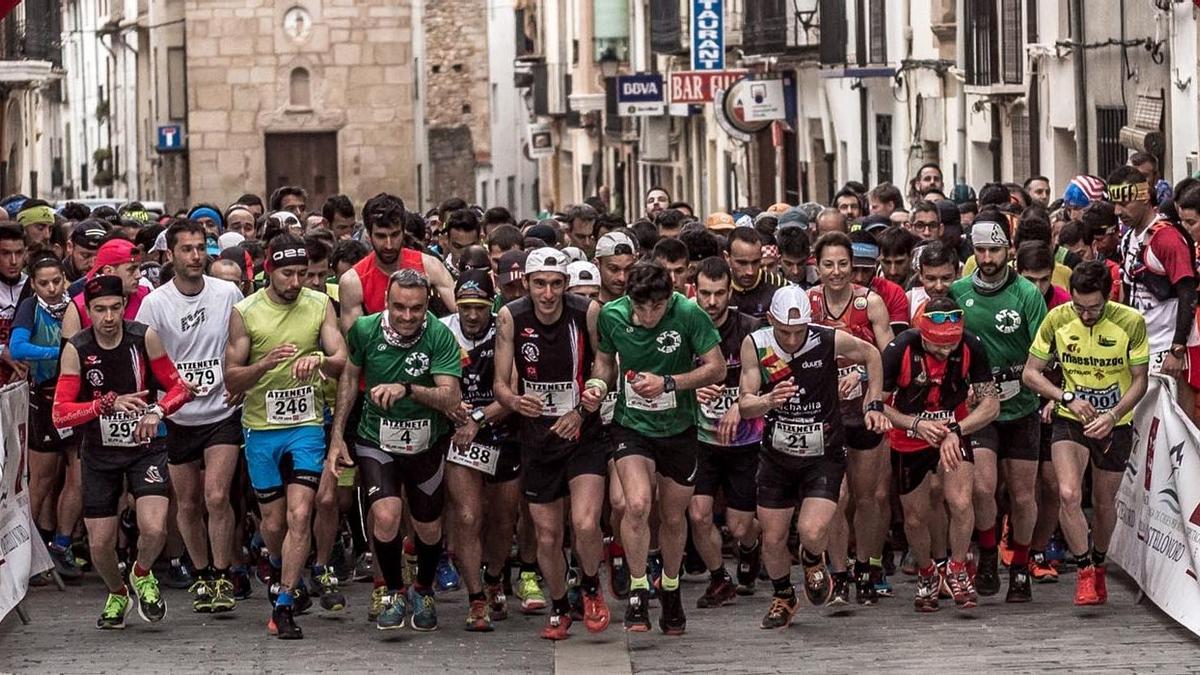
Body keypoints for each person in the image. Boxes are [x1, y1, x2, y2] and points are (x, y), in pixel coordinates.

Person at [738, 285, 889, 628]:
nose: (791, 340)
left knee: (812, 528)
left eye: (798, 331)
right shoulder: (757, 343)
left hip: (823, 451)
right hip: (777, 454)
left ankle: (811, 558)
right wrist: (767, 401)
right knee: (773, 536)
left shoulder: (827, 339)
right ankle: (784, 597)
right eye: (784, 331)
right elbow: (745, 404)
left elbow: (873, 355)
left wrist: (874, 401)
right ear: (771, 320)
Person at [52, 274, 194, 629]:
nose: (109, 317)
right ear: (89, 311)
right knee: (100, 543)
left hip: (146, 447)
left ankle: (142, 572)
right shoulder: (78, 348)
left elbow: (180, 388)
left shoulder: (142, 336)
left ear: (124, 306)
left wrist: (157, 411)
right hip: (99, 452)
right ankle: (117, 593)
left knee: (155, 528)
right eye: (100, 309)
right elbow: (61, 412)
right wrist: (106, 405)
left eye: (115, 307)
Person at [225, 235, 347, 639]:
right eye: (287, 273)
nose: (296, 281)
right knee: (274, 523)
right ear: (267, 270)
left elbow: (340, 359)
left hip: (305, 426)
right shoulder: (246, 312)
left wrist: (319, 360)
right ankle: (276, 564)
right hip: (261, 430)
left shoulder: (319, 304)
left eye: (301, 273)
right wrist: (265, 365)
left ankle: (284, 605)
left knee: (300, 515)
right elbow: (232, 376)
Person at [325, 268, 462, 633]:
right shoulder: (366, 329)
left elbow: (451, 396)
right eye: (399, 307)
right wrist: (338, 436)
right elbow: (351, 378)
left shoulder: (439, 334)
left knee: (428, 527)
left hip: (426, 443)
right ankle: (394, 592)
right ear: (386, 300)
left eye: (415, 309)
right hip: (375, 438)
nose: (406, 316)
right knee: (386, 515)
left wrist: (409, 389)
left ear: (427, 304)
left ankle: (423, 589)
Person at [593, 261, 725, 635]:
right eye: (642, 307)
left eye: (658, 307)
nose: (649, 315)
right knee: (635, 504)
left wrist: (669, 382)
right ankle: (638, 589)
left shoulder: (689, 313)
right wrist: (597, 386)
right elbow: (603, 363)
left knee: (672, 516)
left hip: (678, 427)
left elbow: (716, 369)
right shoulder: (611, 316)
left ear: (670, 298)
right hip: (630, 425)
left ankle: (670, 586)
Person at [494, 248, 612, 640]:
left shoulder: (586, 312)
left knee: (584, 522)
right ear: (526, 284)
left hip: (581, 430)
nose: (548, 293)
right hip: (538, 436)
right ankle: (560, 605)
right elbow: (500, 383)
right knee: (547, 535)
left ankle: (592, 585)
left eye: (556, 284)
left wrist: (587, 400)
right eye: (540, 284)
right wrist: (514, 402)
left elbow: (605, 363)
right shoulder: (512, 315)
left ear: (565, 284)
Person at [1022, 260, 1149, 606]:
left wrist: (1114, 414)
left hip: (1115, 424)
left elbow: (1140, 380)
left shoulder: (1130, 321)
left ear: (1107, 298)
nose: (1086, 315)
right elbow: (1031, 374)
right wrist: (1065, 397)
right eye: (1079, 306)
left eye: (1093, 308)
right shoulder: (1058, 317)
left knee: (1104, 503)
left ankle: (1099, 561)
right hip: (1070, 418)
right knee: (1067, 493)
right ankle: (1083, 571)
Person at [136, 220, 246, 613]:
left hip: (222, 410)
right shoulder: (156, 303)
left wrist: (241, 378)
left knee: (216, 495)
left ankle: (221, 575)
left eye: (201, 248)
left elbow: (241, 341)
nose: (196, 256)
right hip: (178, 415)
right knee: (187, 503)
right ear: (171, 255)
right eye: (187, 249)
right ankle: (200, 573)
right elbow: (145, 359)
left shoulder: (228, 292)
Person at [949, 212, 1047, 602]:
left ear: (1008, 250)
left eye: (995, 250)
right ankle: (988, 553)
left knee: (1024, 495)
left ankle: (1020, 565)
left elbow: (1044, 350)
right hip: (979, 410)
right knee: (982, 488)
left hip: (1021, 407)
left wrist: (1027, 375)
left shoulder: (1027, 293)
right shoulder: (958, 292)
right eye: (981, 250)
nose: (987, 258)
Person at [881, 296, 999, 612]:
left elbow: (991, 404)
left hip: (952, 427)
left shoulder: (971, 346)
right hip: (910, 434)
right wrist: (915, 424)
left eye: (951, 345)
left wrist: (958, 430)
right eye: (936, 346)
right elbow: (878, 404)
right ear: (922, 334)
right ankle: (927, 570)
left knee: (961, 500)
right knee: (916, 517)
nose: (945, 352)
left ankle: (957, 567)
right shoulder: (900, 348)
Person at [807, 232, 894, 604]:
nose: (836, 271)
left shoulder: (869, 302)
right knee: (836, 498)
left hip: (865, 412)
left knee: (868, 497)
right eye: (828, 264)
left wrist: (860, 378)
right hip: (824, 415)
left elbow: (890, 357)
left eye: (843, 263)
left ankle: (865, 568)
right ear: (817, 265)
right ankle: (839, 573)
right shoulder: (807, 303)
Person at [438, 270, 523, 631]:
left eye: (480, 307)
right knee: (469, 516)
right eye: (466, 307)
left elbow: (513, 391)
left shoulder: (505, 328)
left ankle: (494, 576)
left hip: (501, 430)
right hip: (460, 438)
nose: (473, 315)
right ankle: (475, 599)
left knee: (504, 518)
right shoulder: (442, 330)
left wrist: (477, 418)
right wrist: (448, 408)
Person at [689, 257, 764, 605]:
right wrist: (692, 389)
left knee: (739, 527)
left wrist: (741, 403)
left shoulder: (750, 328)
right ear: (695, 291)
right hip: (701, 440)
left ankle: (750, 546)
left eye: (719, 293)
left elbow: (776, 377)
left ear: (730, 291)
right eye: (705, 293)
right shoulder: (684, 327)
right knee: (699, 514)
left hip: (746, 441)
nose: (712, 302)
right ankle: (720, 578)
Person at [11, 257, 81, 581]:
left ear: (65, 279)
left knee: (79, 477)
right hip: (45, 398)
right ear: (34, 284)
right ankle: (25, 553)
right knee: (41, 480)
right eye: (44, 283)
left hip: (78, 399)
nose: (52, 289)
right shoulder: (29, 307)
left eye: (57, 281)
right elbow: (18, 346)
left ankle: (61, 544)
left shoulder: (76, 306)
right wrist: (64, 353)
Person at [1112, 166, 1198, 420]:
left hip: (1168, 349)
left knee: (1175, 426)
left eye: (1125, 203)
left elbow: (1188, 292)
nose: (1118, 211)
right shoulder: (1128, 239)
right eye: (1116, 203)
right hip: (1140, 347)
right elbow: (1126, 295)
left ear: (1144, 197)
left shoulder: (1166, 238)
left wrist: (1177, 349)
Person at [338, 193, 456, 333]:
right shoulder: (353, 282)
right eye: (381, 236)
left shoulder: (430, 266)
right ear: (368, 235)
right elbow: (355, 344)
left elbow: (462, 312)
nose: (389, 245)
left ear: (403, 232)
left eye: (394, 235)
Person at [726, 227, 784, 320]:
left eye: (755, 262)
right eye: (742, 263)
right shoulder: (718, 286)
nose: (750, 271)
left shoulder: (779, 287)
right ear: (727, 258)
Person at [595, 231, 638, 303]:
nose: (622, 278)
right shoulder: (586, 307)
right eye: (613, 269)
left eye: (628, 269)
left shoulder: (638, 305)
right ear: (597, 265)